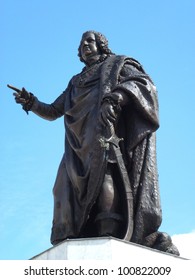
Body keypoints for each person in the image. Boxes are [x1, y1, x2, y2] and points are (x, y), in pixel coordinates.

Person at [10, 30, 179, 255]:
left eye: (90, 41)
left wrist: (118, 96)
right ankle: (69, 237)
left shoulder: (117, 65)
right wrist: (31, 102)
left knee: (105, 180)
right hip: (77, 146)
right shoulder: (75, 81)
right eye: (81, 44)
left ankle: (106, 232)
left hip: (104, 136)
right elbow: (53, 111)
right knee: (61, 187)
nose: (85, 46)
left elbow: (142, 83)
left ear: (102, 45)